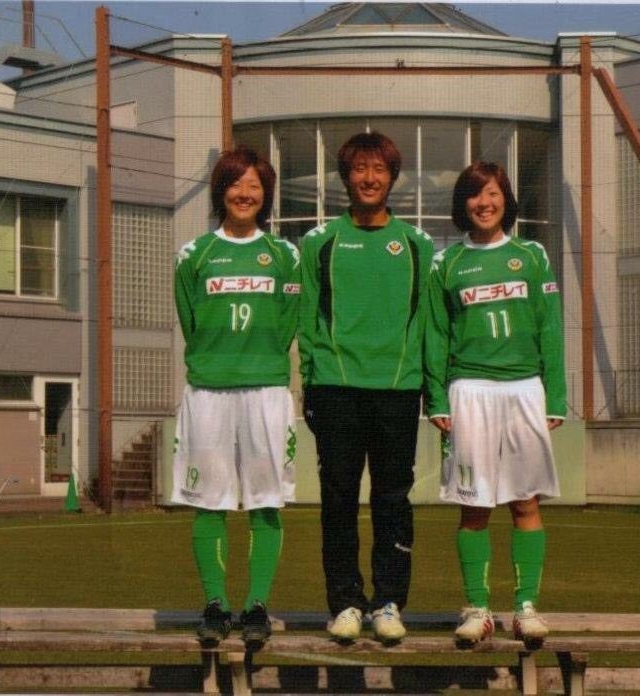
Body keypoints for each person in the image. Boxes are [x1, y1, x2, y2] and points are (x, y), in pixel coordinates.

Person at [298, 131, 435, 644]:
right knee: (338, 501)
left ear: (392, 177)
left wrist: (430, 389)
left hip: (397, 390)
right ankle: (345, 604)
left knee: (393, 500)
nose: (369, 178)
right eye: (360, 169)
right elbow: (308, 320)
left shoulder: (418, 245)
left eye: (379, 169)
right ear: (345, 177)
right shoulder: (319, 242)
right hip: (335, 389)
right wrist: (310, 383)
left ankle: (388, 603)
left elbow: (426, 323)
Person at [424, 161, 565, 645]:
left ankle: (526, 608)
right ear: (462, 203)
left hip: (524, 389)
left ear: (506, 200)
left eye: (493, 194)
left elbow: (550, 326)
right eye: (474, 194)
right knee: (474, 507)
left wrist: (556, 394)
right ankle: (477, 609)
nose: (484, 203)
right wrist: (436, 398)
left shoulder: (531, 255)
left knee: (526, 503)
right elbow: (436, 334)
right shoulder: (446, 263)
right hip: (469, 392)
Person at [172, 146, 301, 647]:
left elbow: (287, 324)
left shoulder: (285, 256)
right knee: (209, 502)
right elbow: (191, 321)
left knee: (266, 503)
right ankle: (215, 604)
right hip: (208, 390)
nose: (244, 193)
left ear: (266, 195)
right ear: (220, 191)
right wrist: (218, 360)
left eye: (254, 185)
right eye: (235, 183)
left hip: (266, 390)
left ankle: (257, 606)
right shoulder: (195, 255)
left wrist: (259, 359)